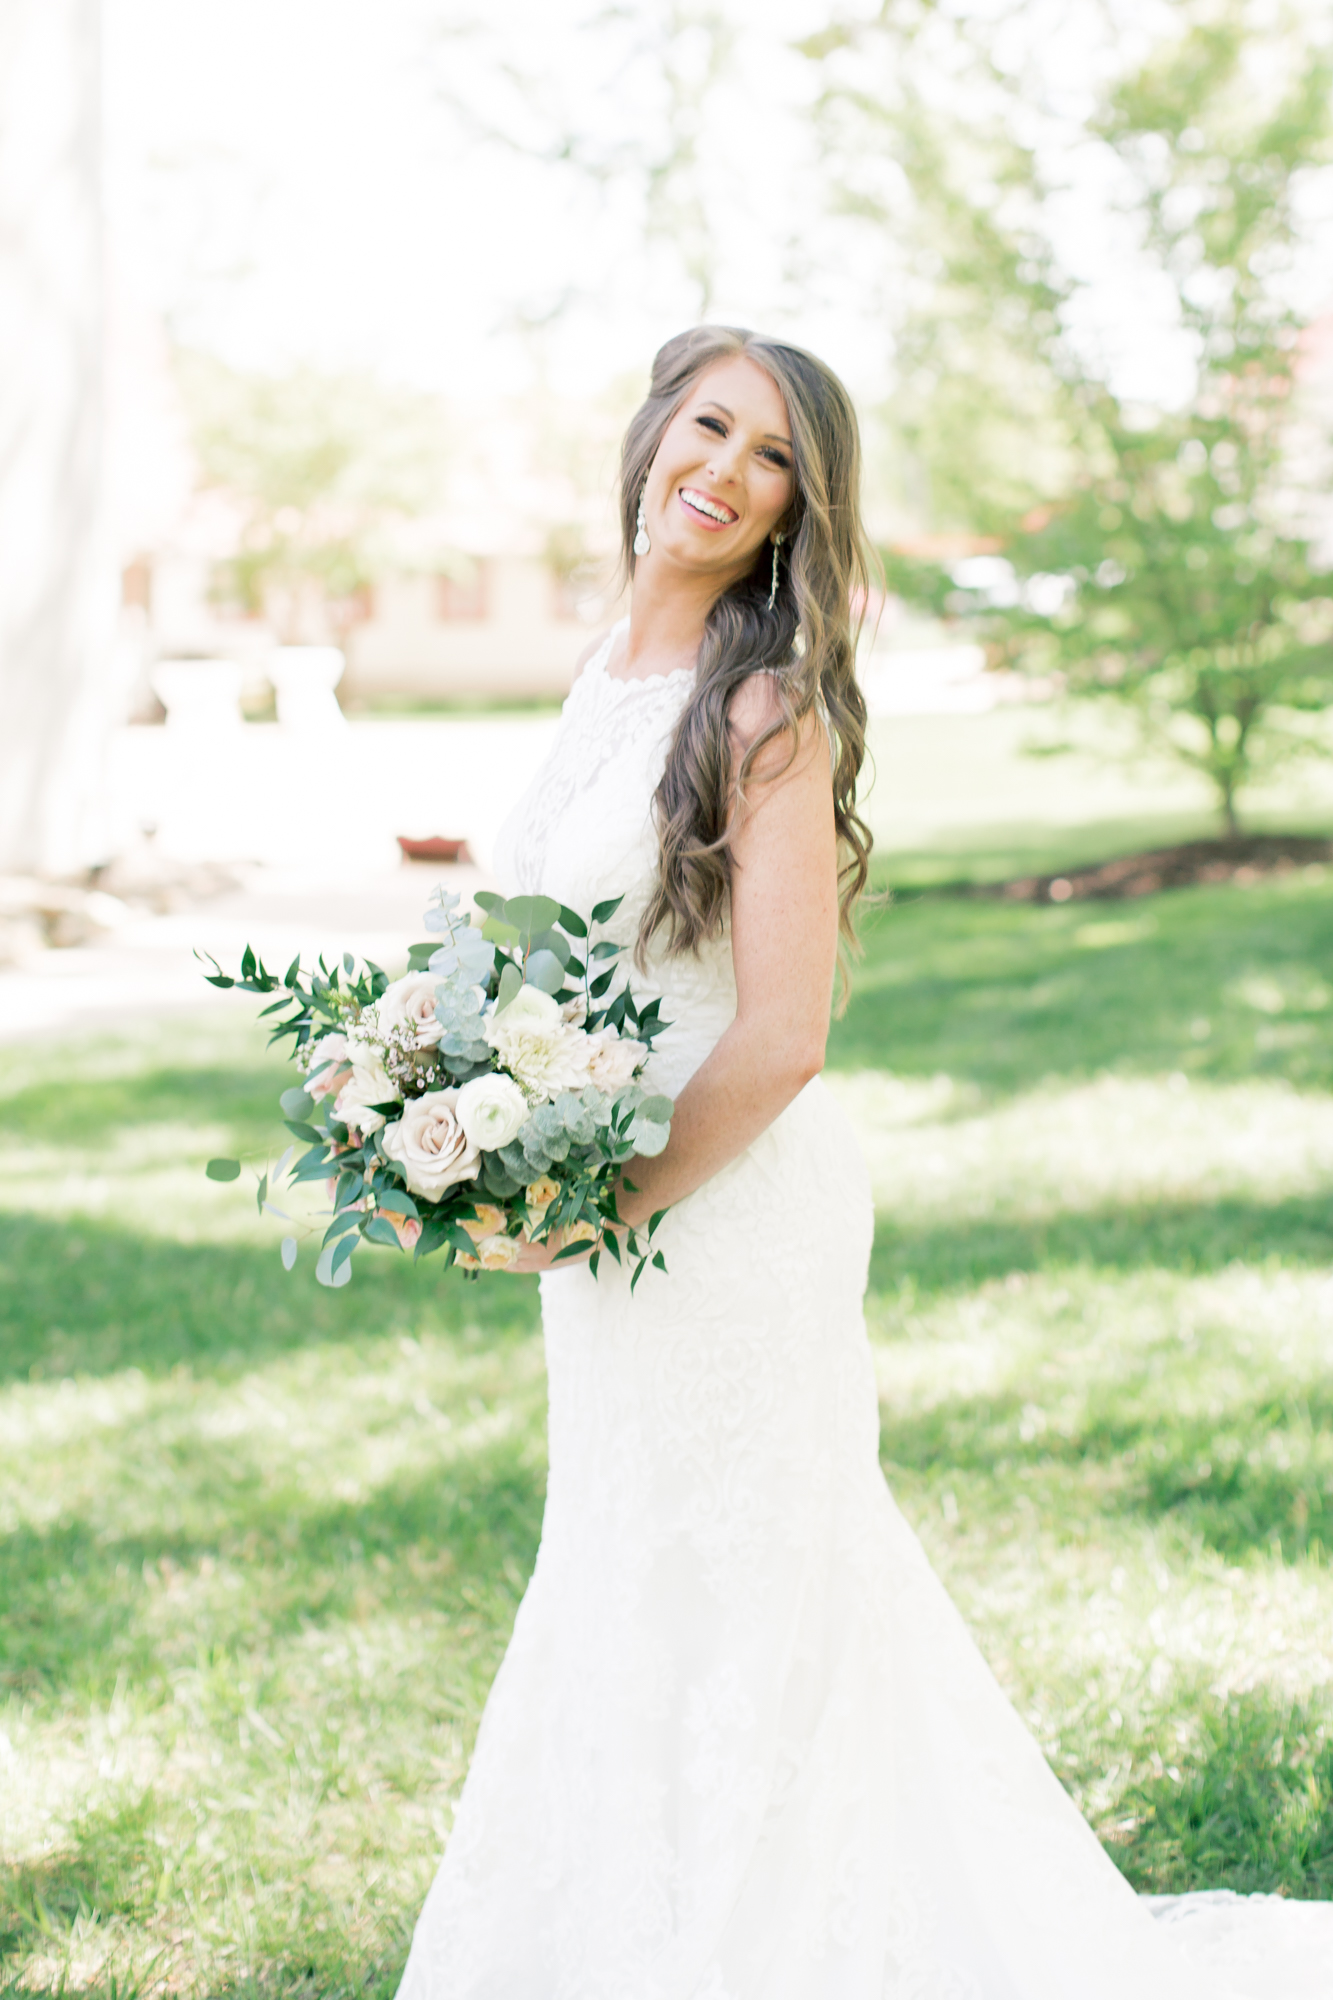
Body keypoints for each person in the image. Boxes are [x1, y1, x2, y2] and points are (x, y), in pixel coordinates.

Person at [395, 327, 1329, 1998]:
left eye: (771, 460)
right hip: (611, 1215)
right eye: (708, 426)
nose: (725, 472)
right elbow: (560, 950)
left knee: (753, 1583)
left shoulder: (762, 711)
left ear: (793, 515)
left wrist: (598, 1204)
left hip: (728, 1212)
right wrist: (452, 1113)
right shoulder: (603, 673)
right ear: (647, 432)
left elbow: (785, 1031)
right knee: (629, 1562)